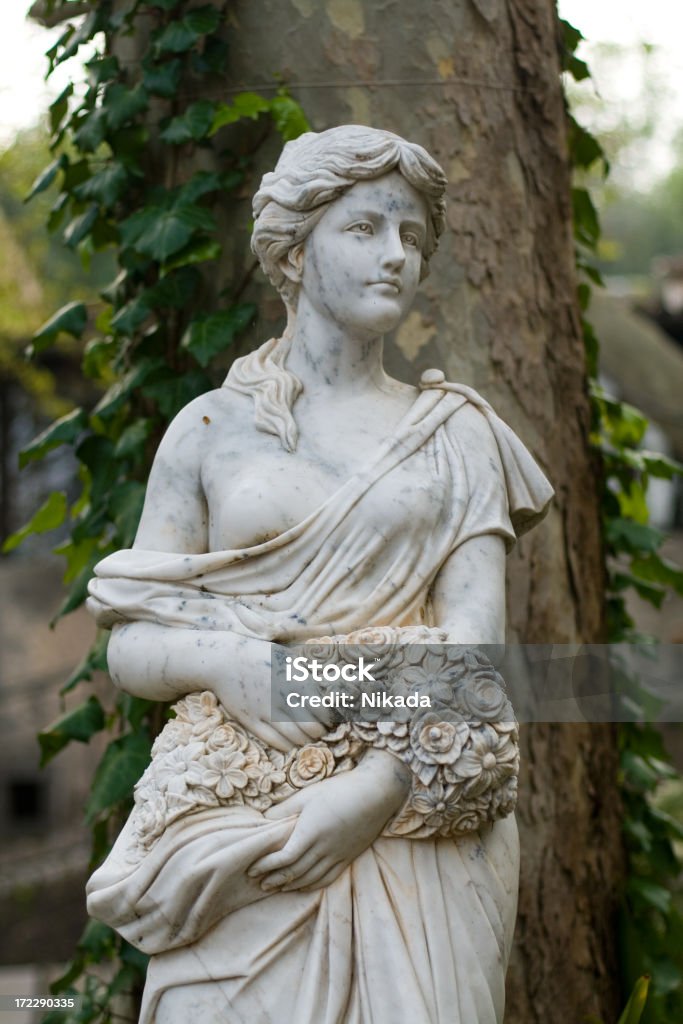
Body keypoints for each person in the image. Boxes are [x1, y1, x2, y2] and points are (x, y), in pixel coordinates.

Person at [86, 125, 553, 1023]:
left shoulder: (456, 435)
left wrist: (369, 795)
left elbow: (473, 657)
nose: (395, 257)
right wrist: (224, 664)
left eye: (412, 238)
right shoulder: (208, 431)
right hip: (234, 834)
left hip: (413, 821)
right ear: (293, 253)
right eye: (365, 229)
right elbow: (134, 642)